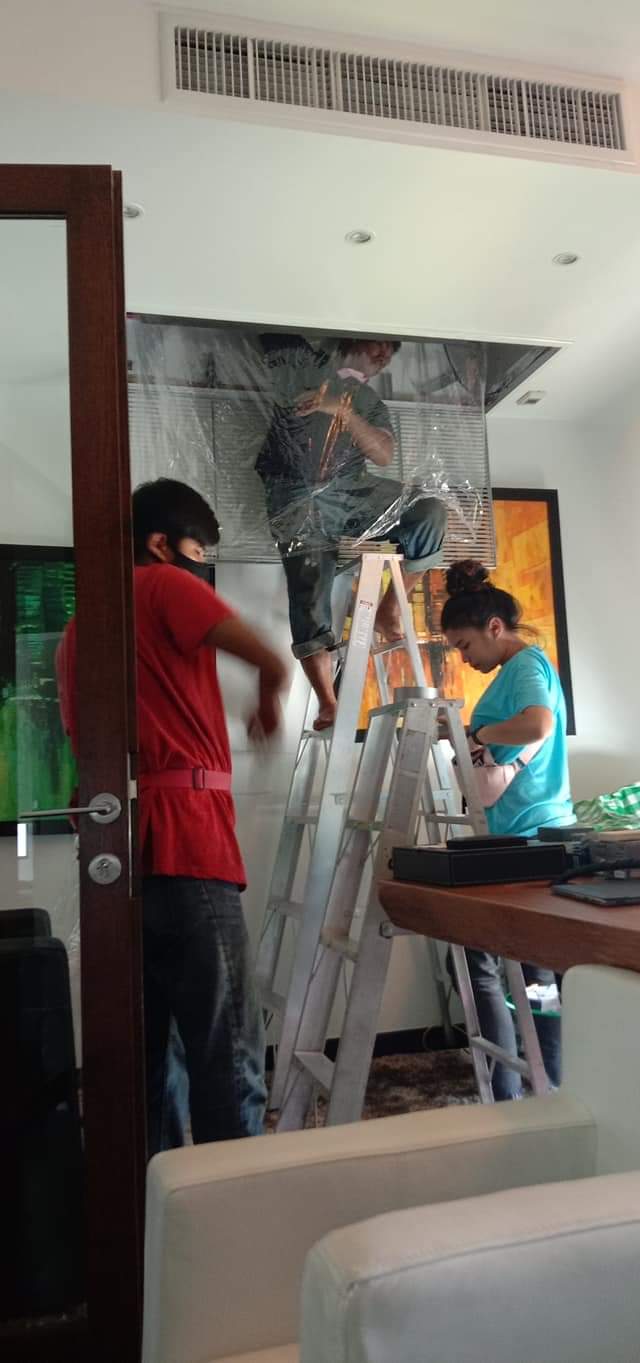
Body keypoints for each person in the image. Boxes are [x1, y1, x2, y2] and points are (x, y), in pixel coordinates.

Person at [56, 478, 289, 1155]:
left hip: (118, 858)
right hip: (190, 843)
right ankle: (232, 1202)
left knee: (148, 1059)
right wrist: (268, 700)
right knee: (228, 1051)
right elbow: (270, 659)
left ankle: (153, 1200)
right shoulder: (163, 584)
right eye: (198, 551)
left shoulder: (79, 628)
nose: (201, 565)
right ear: (161, 544)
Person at [257, 337, 447, 729]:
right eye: (380, 344)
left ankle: (389, 608)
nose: (385, 355)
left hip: (351, 493)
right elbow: (271, 340)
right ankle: (328, 702)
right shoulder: (302, 370)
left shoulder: (369, 401)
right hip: (298, 499)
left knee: (428, 511)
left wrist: (342, 409)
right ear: (352, 339)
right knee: (310, 595)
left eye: (392, 351)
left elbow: (383, 455)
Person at [441, 559, 574, 1100]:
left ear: (495, 628)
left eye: (465, 645)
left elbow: (538, 724)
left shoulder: (525, 666)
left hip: (532, 833)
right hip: (518, 831)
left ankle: (531, 1090)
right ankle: (528, 1087)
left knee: (523, 973)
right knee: (511, 968)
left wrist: (477, 734)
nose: (464, 658)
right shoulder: (514, 672)